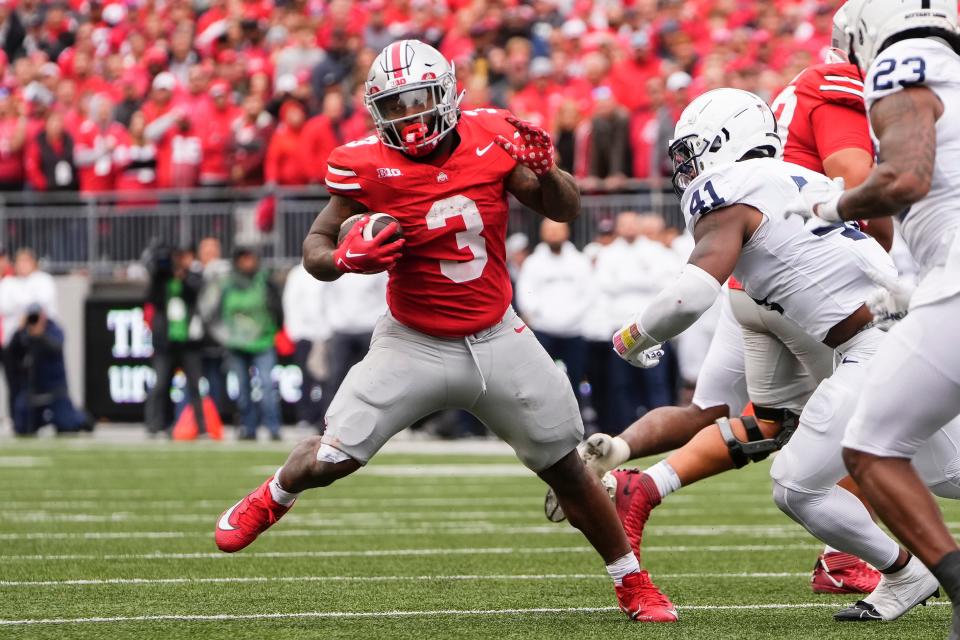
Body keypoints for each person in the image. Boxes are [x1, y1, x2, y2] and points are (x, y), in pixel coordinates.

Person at [213, 40, 673, 624]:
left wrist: (545, 170)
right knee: (332, 456)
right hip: (413, 340)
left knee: (568, 468)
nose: (407, 117)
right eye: (393, 106)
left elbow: (564, 210)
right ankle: (274, 493)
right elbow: (314, 249)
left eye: (417, 101)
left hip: (497, 333)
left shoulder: (494, 135)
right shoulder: (363, 164)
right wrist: (345, 260)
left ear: (447, 94)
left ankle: (632, 582)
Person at [549, 12, 898, 597]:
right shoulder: (833, 91)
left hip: (752, 282)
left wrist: (637, 336)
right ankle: (853, 556)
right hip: (814, 287)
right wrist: (872, 255)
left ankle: (638, 474)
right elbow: (860, 186)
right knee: (871, 416)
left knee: (745, 414)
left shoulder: (766, 131)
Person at [612, 87, 956, 622]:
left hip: (877, 347)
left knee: (796, 486)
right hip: (910, 331)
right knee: (944, 474)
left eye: (689, 151)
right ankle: (907, 576)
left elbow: (690, 295)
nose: (684, 167)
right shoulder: (802, 179)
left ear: (726, 142)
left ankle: (907, 571)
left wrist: (634, 336)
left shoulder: (726, 186)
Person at [789, 1, 960, 634]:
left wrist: (832, 206)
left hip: (956, 274)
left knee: (870, 447)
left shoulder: (901, 62)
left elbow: (906, 176)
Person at [209, 247, 283, 441]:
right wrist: (225, 336)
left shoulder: (265, 281)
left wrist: (274, 329)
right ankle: (248, 428)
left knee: (267, 385)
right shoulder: (227, 285)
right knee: (242, 389)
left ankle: (273, 427)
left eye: (251, 258)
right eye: (244, 259)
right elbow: (215, 313)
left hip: (263, 341)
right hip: (237, 344)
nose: (248, 263)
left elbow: (276, 307)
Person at [515, 219, 592, 404]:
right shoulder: (533, 263)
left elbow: (589, 293)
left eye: (558, 229)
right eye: (549, 230)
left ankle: (576, 422)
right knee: (540, 381)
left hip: (574, 331)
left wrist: (571, 317)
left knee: (575, 378)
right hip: (543, 330)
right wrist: (539, 315)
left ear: (567, 232)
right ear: (542, 233)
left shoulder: (579, 261)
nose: (554, 234)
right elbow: (525, 293)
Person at [142, 243, 207, 437]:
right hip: (165, 341)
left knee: (195, 386)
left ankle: (201, 426)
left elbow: (197, 293)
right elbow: (151, 298)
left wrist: (184, 276)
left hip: (189, 342)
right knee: (161, 384)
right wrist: (162, 273)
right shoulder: (162, 279)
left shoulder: (194, 276)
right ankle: (155, 424)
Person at [7, 306, 92, 436]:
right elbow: (10, 353)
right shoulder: (23, 334)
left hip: (55, 391)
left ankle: (81, 417)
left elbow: (56, 348)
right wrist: (20, 331)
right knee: (22, 428)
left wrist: (40, 335)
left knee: (67, 426)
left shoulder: (54, 329)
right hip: (32, 392)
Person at [0, 248, 57, 419]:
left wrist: (24, 312)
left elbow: (40, 306)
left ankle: (44, 417)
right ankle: (17, 418)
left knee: (41, 380)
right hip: (14, 341)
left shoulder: (43, 281)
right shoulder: (10, 283)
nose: (22, 265)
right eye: (19, 261)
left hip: (41, 339)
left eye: (26, 261)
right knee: (14, 382)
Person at [282, 262, 329, 430]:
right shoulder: (297, 273)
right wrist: (295, 332)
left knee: (326, 378)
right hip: (303, 334)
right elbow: (290, 302)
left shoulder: (331, 268)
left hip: (326, 333)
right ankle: (305, 416)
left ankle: (324, 416)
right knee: (305, 378)